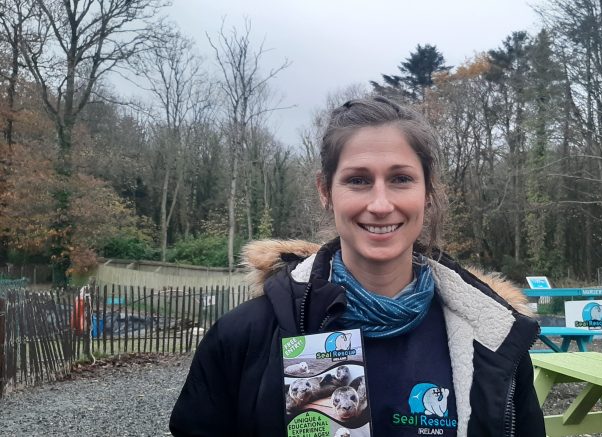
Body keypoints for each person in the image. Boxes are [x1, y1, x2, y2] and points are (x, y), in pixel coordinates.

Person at [169, 96, 545, 436]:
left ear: (428, 193)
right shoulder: (243, 336)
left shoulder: (492, 340)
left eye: (401, 179)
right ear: (325, 191)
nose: (380, 204)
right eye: (358, 180)